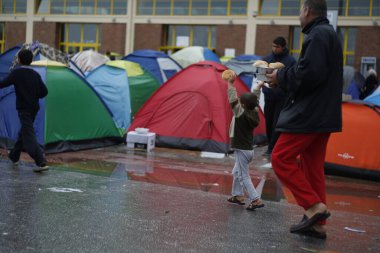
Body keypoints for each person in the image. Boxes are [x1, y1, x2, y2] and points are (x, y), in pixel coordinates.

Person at [265, 0, 342, 239]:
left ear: (307, 11)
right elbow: (313, 70)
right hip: (324, 114)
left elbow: (309, 74)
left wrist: (280, 76)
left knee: (280, 158)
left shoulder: (317, 35)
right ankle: (317, 223)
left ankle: (313, 207)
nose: (299, 15)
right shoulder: (329, 34)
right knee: (312, 166)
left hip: (309, 113)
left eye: (300, 10)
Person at [0, 49, 49, 172]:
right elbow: (44, 92)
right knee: (25, 131)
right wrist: (33, 95)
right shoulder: (35, 74)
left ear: (19, 60)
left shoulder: (17, 73)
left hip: (24, 108)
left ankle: (40, 161)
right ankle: (14, 156)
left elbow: (3, 84)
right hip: (34, 108)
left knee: (28, 134)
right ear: (31, 61)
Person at [225, 72, 264, 211]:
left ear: (242, 104)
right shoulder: (254, 111)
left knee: (243, 175)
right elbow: (255, 99)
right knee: (237, 172)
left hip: (241, 149)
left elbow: (232, 99)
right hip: (248, 149)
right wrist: (258, 86)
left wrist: (230, 83)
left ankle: (255, 199)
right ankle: (238, 195)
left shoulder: (240, 112)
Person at [261, 36, 296, 156]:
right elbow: (261, 75)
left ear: (283, 47)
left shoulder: (290, 61)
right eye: (273, 46)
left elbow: (292, 78)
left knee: (277, 122)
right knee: (268, 121)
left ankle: (272, 148)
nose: (274, 49)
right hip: (269, 95)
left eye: (277, 47)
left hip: (282, 97)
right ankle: (270, 144)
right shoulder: (267, 59)